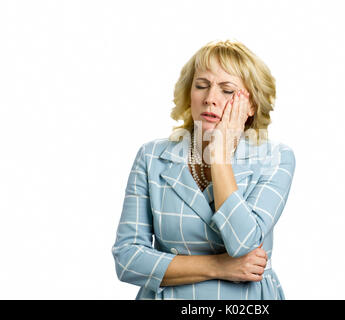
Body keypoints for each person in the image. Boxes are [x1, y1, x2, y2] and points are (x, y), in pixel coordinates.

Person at [111, 39, 296, 300]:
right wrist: (219, 266)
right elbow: (128, 259)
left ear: (252, 105)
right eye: (201, 86)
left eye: (227, 90)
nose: (210, 99)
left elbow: (243, 244)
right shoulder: (152, 156)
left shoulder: (276, 158)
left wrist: (219, 157)